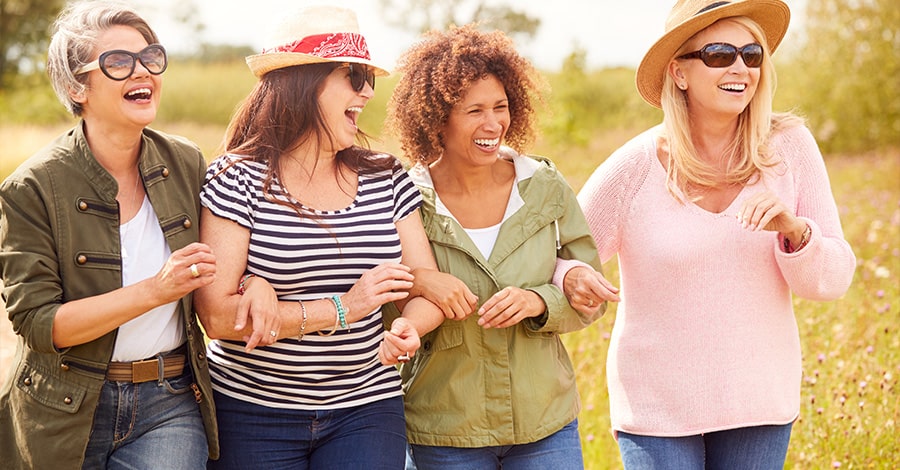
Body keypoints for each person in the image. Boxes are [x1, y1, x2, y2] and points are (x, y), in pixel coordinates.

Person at [568, 0, 857, 468]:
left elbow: (832, 281)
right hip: (655, 410)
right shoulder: (633, 167)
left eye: (752, 54)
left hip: (759, 402)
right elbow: (563, 253)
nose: (740, 67)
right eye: (720, 54)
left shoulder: (791, 149)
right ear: (679, 72)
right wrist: (571, 277)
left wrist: (795, 231)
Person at [193, 6, 435, 469]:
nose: (366, 90)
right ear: (303, 82)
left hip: (367, 406)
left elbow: (422, 285)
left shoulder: (386, 177)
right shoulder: (237, 177)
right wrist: (346, 308)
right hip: (251, 412)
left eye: (368, 77)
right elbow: (219, 318)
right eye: (353, 75)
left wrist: (411, 326)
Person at [0, 1, 219, 468]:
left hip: (170, 401)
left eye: (150, 57)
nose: (142, 72)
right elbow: (40, 325)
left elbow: (233, 262)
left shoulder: (187, 163)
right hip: (62, 408)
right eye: (118, 62)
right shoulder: (32, 186)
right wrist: (155, 291)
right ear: (76, 86)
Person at [383, 24, 607, 470]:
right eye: (475, 111)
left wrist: (539, 301)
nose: (493, 124)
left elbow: (588, 295)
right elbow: (390, 303)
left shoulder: (543, 186)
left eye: (501, 107)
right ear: (436, 117)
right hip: (445, 427)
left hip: (545, 422)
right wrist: (421, 288)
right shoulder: (406, 199)